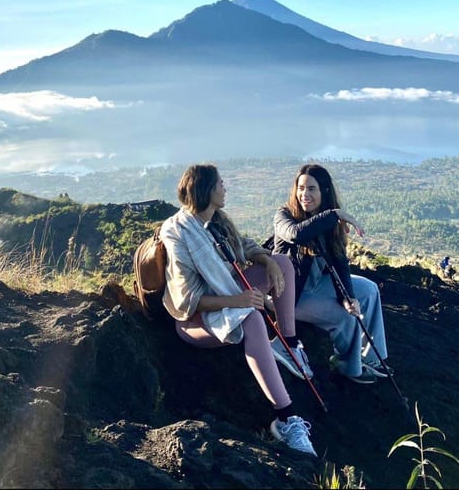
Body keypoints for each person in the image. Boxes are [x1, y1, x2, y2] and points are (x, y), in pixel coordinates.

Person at [159, 164, 317, 456]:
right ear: (206, 190)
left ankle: (289, 345)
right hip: (195, 321)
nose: (225, 187)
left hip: (227, 297)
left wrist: (267, 260)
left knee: (282, 263)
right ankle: (286, 419)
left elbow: (244, 246)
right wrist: (239, 301)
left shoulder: (216, 221)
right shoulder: (179, 234)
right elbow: (186, 302)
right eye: (220, 183)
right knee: (254, 318)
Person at [272, 163, 392, 385]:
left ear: (324, 191)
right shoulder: (284, 215)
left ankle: (374, 360)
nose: (304, 194)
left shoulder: (329, 222)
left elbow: (339, 261)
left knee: (369, 290)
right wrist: (335, 214)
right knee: (344, 318)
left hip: (317, 282)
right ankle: (348, 365)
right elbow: (296, 234)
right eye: (301, 188)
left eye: (311, 189)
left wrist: (347, 297)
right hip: (290, 293)